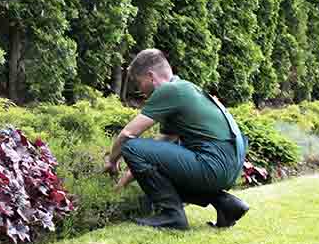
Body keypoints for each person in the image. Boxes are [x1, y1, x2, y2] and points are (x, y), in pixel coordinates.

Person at [103, 49, 250, 230]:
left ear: (150, 76)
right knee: (160, 158)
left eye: (138, 83)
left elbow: (128, 134)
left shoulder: (169, 91)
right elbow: (165, 144)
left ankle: (172, 215)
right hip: (230, 166)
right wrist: (124, 181)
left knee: (131, 147)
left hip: (214, 164)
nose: (139, 90)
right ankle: (225, 204)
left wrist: (111, 161)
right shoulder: (184, 88)